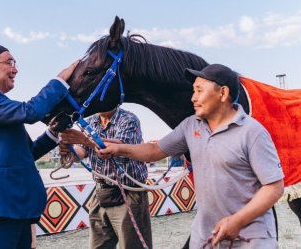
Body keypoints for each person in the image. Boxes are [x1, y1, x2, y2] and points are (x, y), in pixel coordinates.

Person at [98, 64, 284, 248]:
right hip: (205, 236)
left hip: (250, 239)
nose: (193, 98)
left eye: (199, 91)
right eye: (193, 91)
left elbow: (274, 187)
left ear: (223, 93)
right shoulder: (190, 125)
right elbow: (155, 151)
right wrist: (119, 149)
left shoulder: (253, 133)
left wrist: (237, 220)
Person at [0, 44, 78, 249]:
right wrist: (59, 81)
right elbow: (32, 111)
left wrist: (53, 132)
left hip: (15, 207)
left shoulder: (0, 106)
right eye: (9, 62)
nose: (15, 69)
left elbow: (28, 153)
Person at [59, 107, 152, 249]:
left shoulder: (129, 119)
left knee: (133, 245)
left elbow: (121, 147)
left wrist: (85, 139)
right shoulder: (90, 121)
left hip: (128, 193)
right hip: (101, 193)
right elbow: (81, 152)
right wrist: (69, 148)